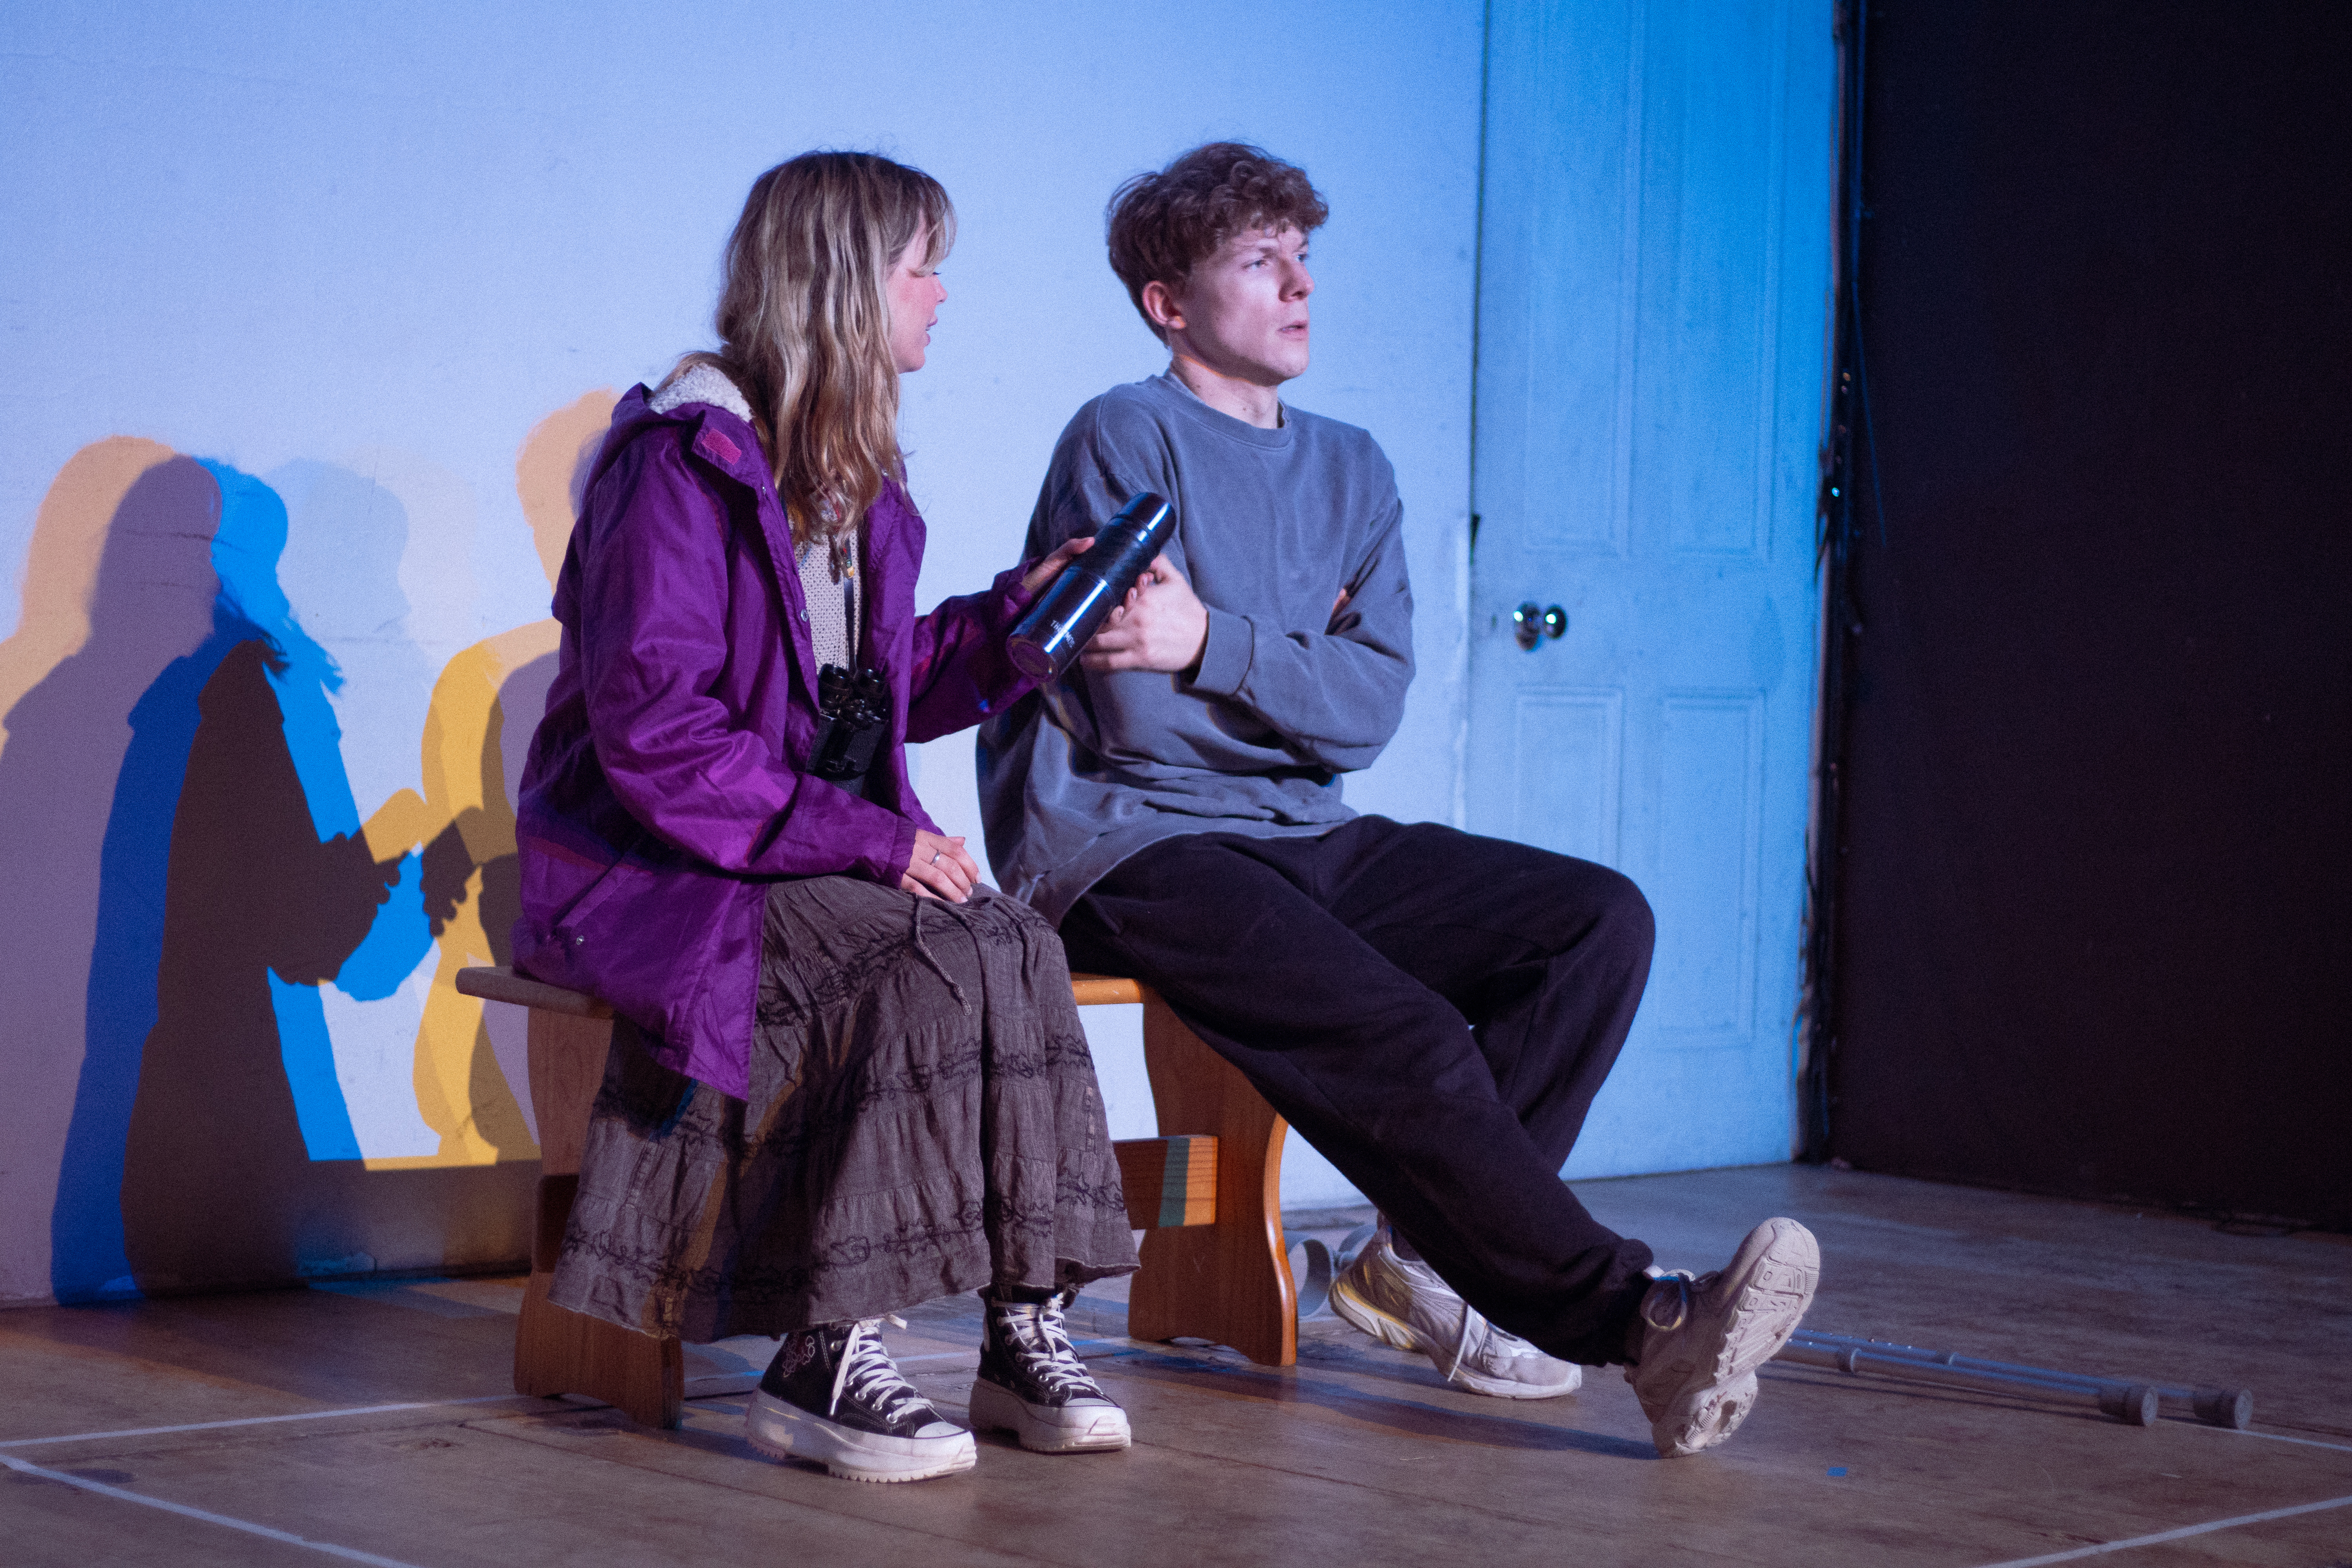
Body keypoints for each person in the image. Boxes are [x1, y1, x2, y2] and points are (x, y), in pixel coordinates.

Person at [977, 142, 1820, 1459]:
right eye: (1260, 260)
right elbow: (1133, 716)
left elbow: (1367, 715)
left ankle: (1423, 1259)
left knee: (1596, 924)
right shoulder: (1126, 434)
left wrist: (1216, 639)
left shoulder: (1354, 469)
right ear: (1170, 302)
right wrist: (1282, 658)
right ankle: (1639, 1321)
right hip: (1129, 843)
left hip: (1302, 827)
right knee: (1404, 1033)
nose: (1301, 282)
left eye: (1305, 252)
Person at [511, 152, 1138, 1485]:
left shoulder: (855, 479)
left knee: (1010, 938)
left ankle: (1022, 1322)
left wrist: (1012, 623)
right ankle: (821, 1350)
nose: (943, 293)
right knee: (918, 951)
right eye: (923, 266)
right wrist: (871, 840)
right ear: (849, 284)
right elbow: (662, 737)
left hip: (775, 847)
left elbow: (866, 692)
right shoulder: (678, 468)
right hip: (656, 866)